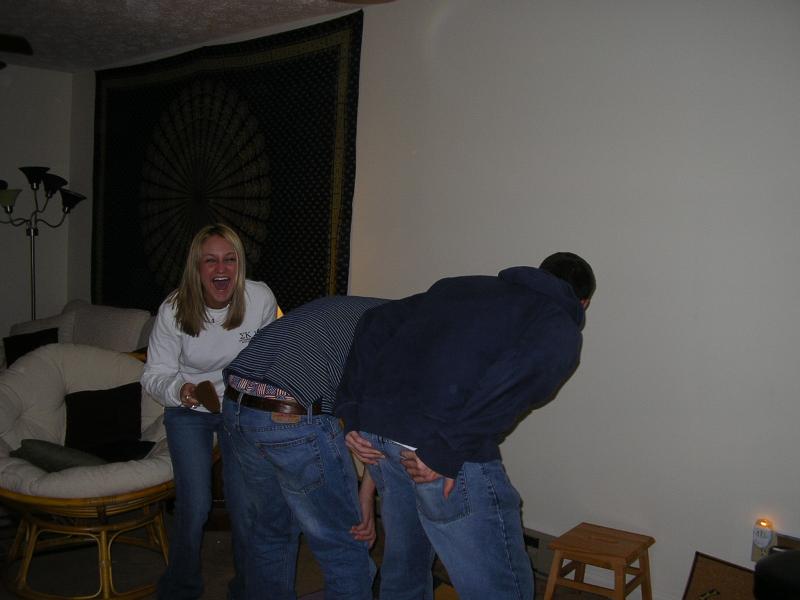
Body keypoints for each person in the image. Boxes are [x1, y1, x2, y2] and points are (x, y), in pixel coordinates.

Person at [336, 252, 596, 600]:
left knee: (406, 566)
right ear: (583, 302)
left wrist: (352, 410)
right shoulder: (557, 323)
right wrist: (447, 449)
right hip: (439, 452)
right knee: (500, 587)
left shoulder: (456, 287)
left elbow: (375, 320)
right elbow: (515, 379)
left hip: (380, 439)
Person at [141, 223, 278, 600]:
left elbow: (271, 356)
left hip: (240, 406)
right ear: (196, 268)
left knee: (245, 505)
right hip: (189, 408)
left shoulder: (260, 298)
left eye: (230, 259)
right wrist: (180, 390)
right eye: (211, 260)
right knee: (196, 504)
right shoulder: (173, 309)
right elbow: (153, 374)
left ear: (240, 264)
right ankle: (180, 587)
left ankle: (248, 589)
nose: (221, 269)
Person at [221, 295, 386, 600]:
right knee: (343, 546)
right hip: (290, 413)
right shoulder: (404, 330)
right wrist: (366, 498)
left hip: (237, 404)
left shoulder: (365, 308)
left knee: (271, 531)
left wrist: (365, 495)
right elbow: (382, 427)